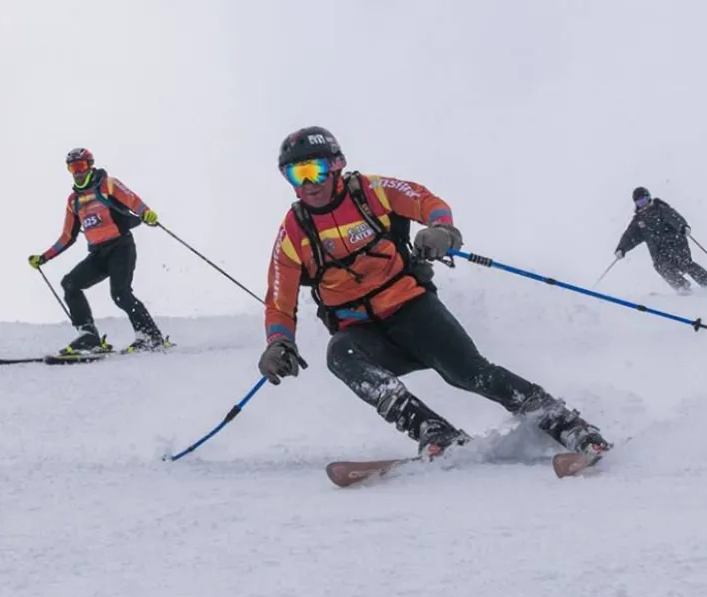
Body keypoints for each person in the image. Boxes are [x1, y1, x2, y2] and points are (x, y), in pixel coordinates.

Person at [257, 126, 612, 461]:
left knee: (469, 373)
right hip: (362, 332)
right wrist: (278, 342)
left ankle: (566, 423)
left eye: (315, 170)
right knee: (340, 353)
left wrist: (441, 230)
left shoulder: (371, 191)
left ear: (336, 165)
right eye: (296, 175)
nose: (308, 183)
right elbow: (278, 299)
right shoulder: (293, 232)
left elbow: (426, 201)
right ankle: (435, 432)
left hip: (411, 311)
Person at [28, 147, 167, 355]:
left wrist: (146, 213)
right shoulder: (73, 201)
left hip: (121, 247)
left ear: (90, 166)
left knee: (120, 294)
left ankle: (151, 337)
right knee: (70, 284)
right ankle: (89, 337)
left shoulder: (108, 185)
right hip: (98, 254)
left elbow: (133, 200)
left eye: (81, 166)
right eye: (73, 168)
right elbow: (67, 236)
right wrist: (44, 257)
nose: (77, 172)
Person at [614, 187, 707, 293]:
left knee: (684, 262)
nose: (643, 204)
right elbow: (630, 236)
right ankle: (681, 286)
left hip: (675, 244)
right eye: (639, 203)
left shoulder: (660, 209)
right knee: (660, 266)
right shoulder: (639, 221)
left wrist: (682, 226)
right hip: (658, 251)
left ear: (649, 198)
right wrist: (621, 248)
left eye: (644, 201)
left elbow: (674, 218)